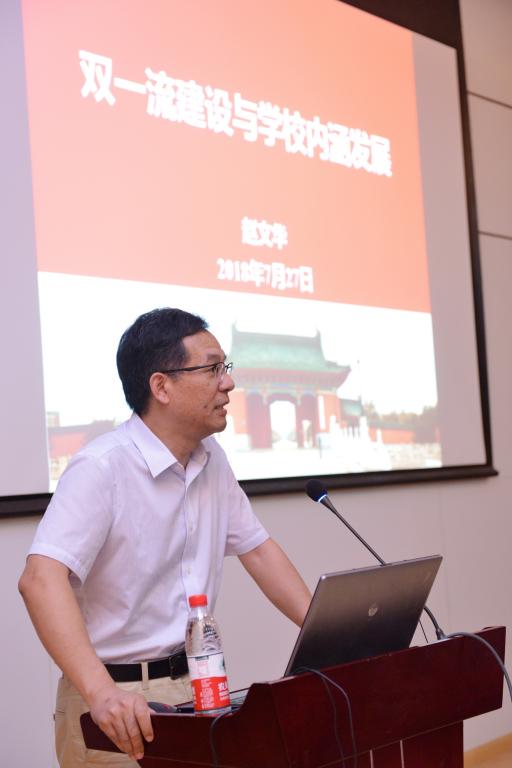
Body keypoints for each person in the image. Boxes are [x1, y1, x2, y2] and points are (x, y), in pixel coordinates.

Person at [19, 307, 311, 768]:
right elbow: (40, 579)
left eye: (225, 367)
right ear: (161, 386)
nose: (228, 383)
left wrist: (327, 633)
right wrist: (102, 694)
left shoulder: (211, 460)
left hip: (197, 684)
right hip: (118, 702)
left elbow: (258, 550)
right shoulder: (103, 467)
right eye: (212, 369)